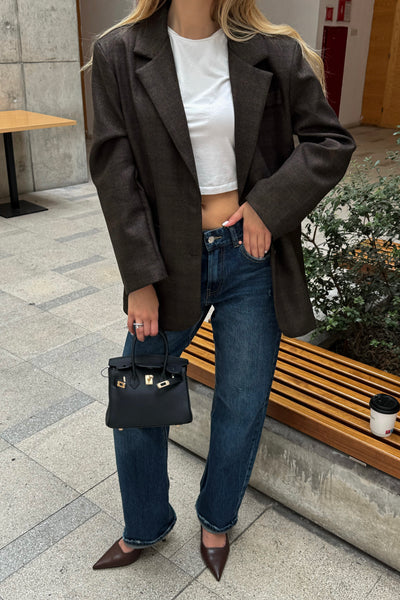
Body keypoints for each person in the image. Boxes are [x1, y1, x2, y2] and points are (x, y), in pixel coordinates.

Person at [88, 0, 355, 581]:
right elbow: (115, 171)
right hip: (167, 263)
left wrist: (266, 206)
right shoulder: (118, 52)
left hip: (249, 259)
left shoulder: (273, 50)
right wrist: (139, 279)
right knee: (138, 399)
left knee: (242, 400)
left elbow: (328, 142)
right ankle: (145, 523)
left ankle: (217, 519)